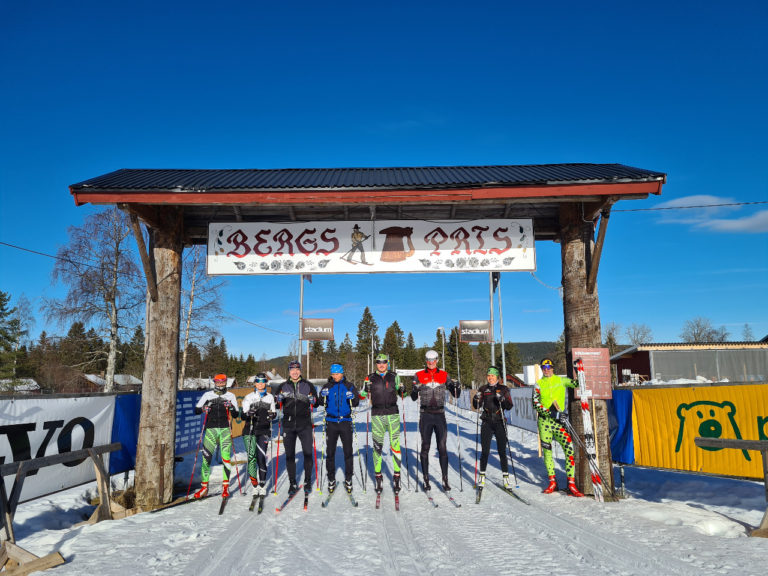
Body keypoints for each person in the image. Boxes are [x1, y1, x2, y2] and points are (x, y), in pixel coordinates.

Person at [532, 358, 584, 497]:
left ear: (553, 368)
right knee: (547, 453)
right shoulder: (538, 384)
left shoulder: (561, 380)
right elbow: (536, 403)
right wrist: (550, 413)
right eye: (544, 367)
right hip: (545, 423)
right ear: (542, 369)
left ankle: (571, 484)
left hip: (559, 423)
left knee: (569, 450)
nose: (547, 370)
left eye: (549, 367)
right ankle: (552, 482)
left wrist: (578, 370)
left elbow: (578, 384)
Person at [411, 349, 461, 491]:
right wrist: (415, 390)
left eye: (433, 360)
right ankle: (426, 479)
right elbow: (413, 397)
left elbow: (456, 394)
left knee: (442, 447)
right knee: (425, 446)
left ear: (437, 360)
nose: (431, 363)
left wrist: (457, 387)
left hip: (439, 415)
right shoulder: (419, 375)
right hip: (425, 415)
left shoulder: (444, 375)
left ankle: (445, 479)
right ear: (425, 361)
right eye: (428, 360)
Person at [273, 360, 319, 496]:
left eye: (297, 369)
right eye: (292, 370)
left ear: (300, 371)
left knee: (308, 453)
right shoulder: (282, 386)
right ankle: (292, 483)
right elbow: (276, 405)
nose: (295, 372)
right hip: (288, 424)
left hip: (304, 424)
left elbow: (316, 403)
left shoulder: (308, 385)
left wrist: (313, 401)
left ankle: (307, 481)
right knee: (289, 455)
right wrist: (278, 400)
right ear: (289, 371)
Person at [360, 353, 403, 494]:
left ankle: (396, 477)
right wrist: (365, 391)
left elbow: (404, 394)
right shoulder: (370, 377)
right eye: (378, 362)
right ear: (376, 364)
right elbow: (361, 396)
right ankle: (378, 477)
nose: (381, 364)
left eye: (384, 362)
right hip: (377, 415)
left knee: (395, 445)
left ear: (387, 363)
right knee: (377, 447)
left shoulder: (394, 376)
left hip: (393, 414)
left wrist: (403, 390)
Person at [193, 373, 239, 499]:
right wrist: (204, 408)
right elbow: (196, 410)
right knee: (206, 458)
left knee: (226, 458)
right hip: (211, 429)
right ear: (214, 382)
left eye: (222, 382)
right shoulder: (208, 395)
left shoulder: (231, 395)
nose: (220, 384)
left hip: (224, 429)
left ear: (225, 382)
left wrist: (231, 407)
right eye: (218, 382)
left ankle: (225, 487)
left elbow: (236, 414)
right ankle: (204, 487)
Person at [319, 363, 360, 493]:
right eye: (333, 374)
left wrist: (352, 397)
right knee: (330, 453)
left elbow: (357, 402)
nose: (335, 376)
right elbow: (320, 402)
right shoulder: (327, 386)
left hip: (345, 421)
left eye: (337, 373)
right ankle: (331, 479)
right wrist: (322, 395)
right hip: (330, 422)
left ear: (342, 373)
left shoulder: (349, 386)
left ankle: (348, 478)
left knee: (348, 452)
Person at [472, 366, 514, 488]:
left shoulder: (504, 389)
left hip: (499, 421)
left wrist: (502, 399)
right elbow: (477, 406)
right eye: (489, 375)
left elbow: (509, 406)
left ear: (497, 377)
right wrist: (476, 399)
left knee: (502, 451)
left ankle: (506, 478)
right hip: (487, 421)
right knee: (485, 451)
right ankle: (482, 476)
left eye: (493, 376)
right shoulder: (483, 389)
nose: (490, 378)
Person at [240, 372, 276, 496]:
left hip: (264, 430)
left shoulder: (270, 397)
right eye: (258, 381)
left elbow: (274, 413)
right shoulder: (249, 397)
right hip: (249, 430)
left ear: (265, 383)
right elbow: (243, 415)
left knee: (261, 457)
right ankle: (254, 485)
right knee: (251, 458)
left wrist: (273, 415)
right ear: (255, 383)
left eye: (263, 381)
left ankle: (262, 485)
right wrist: (248, 413)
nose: (260, 384)